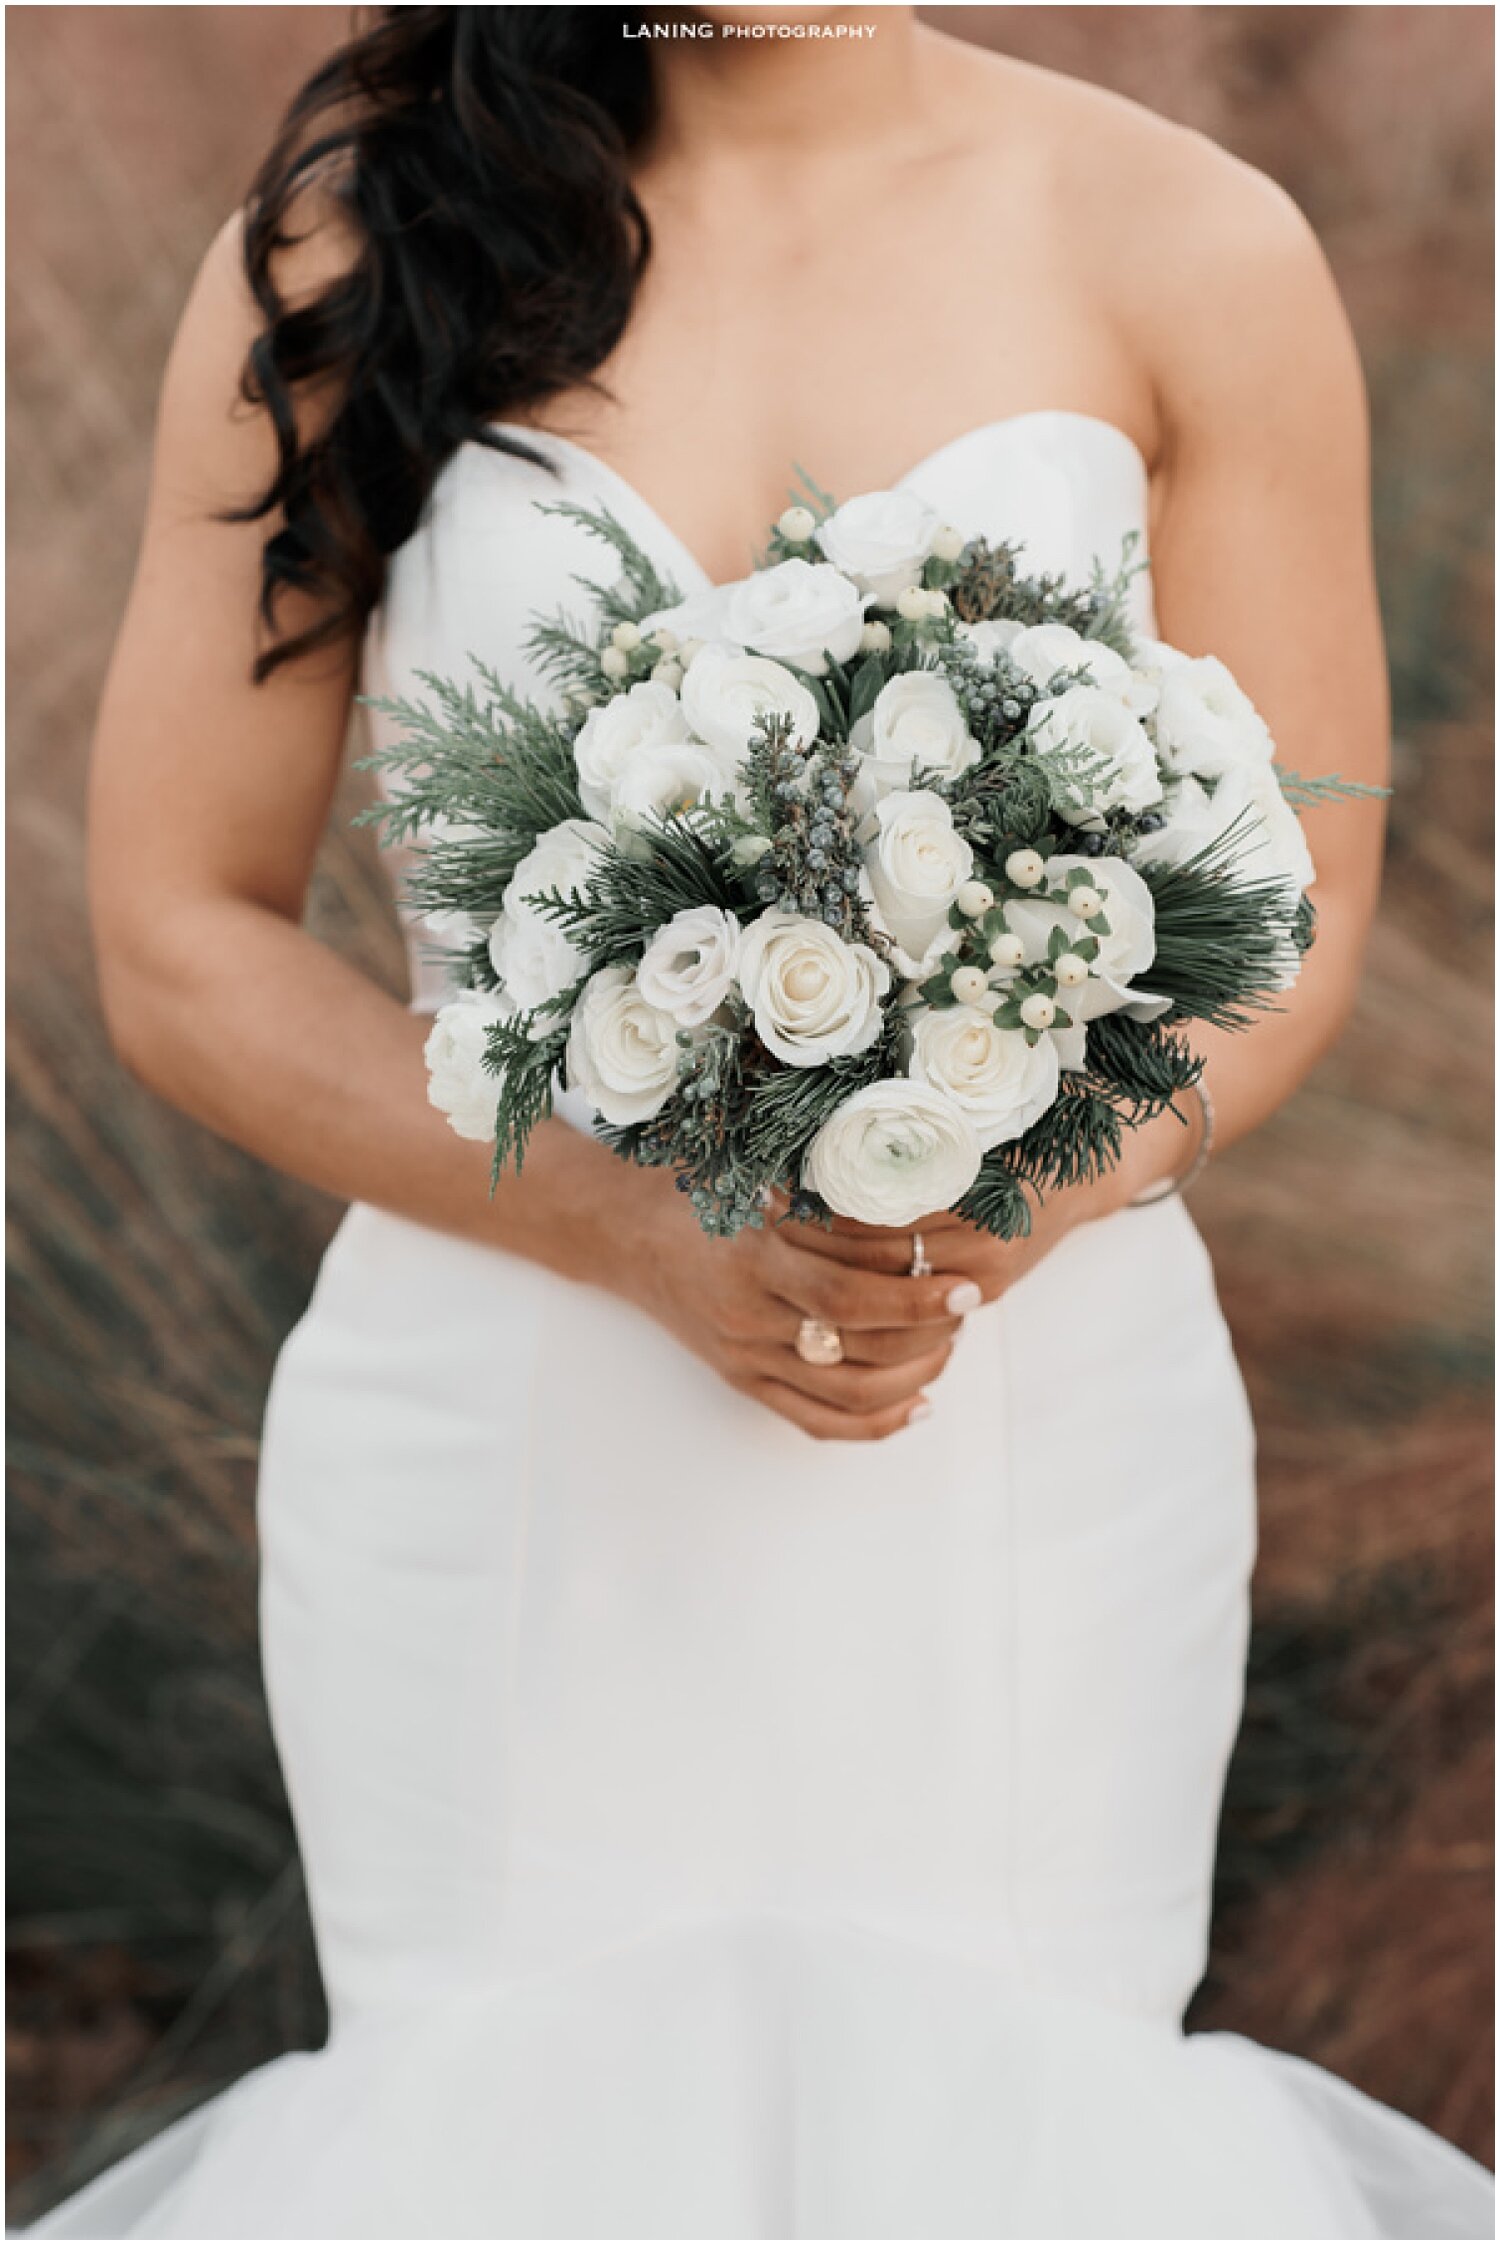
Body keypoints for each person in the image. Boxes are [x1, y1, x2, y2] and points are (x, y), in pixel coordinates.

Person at [33, 7, 1491, 2237]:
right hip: (504, 1432)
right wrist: (619, 1224)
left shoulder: (1189, 244)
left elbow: (1299, 904)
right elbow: (179, 931)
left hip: (1019, 1423)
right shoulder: (360, 248)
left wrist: (1011, 1200)